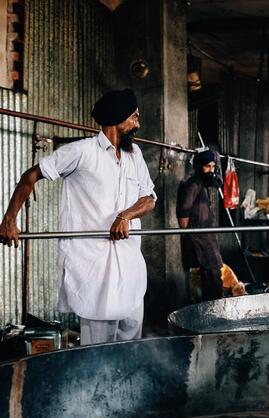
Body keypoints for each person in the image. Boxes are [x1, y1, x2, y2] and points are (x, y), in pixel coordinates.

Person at [0, 88, 156, 345]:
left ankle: (125, 381)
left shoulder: (134, 155)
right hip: (94, 265)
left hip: (129, 262)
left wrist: (125, 216)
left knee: (131, 334)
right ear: (118, 118)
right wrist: (9, 221)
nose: (138, 124)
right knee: (99, 344)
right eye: (134, 117)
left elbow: (149, 199)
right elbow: (30, 176)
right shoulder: (81, 152)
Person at [176, 149, 223, 301]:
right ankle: (212, 314)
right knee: (212, 279)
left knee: (214, 277)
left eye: (213, 166)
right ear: (198, 167)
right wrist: (188, 237)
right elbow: (183, 213)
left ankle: (213, 311)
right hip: (199, 239)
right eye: (207, 166)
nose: (211, 170)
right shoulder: (193, 185)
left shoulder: (203, 185)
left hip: (207, 237)